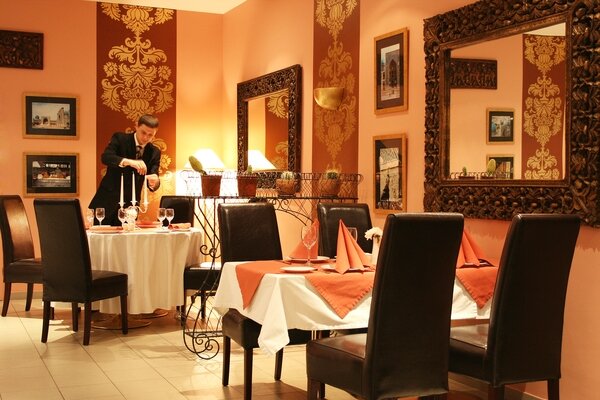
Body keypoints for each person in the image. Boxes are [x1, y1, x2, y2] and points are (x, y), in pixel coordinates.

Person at [89, 114, 161, 226]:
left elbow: (154, 176)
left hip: (131, 207)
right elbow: (106, 157)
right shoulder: (120, 138)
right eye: (143, 132)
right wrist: (129, 162)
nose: (146, 138)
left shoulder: (154, 152)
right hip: (107, 202)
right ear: (136, 126)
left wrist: (154, 182)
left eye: (150, 135)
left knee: (127, 237)